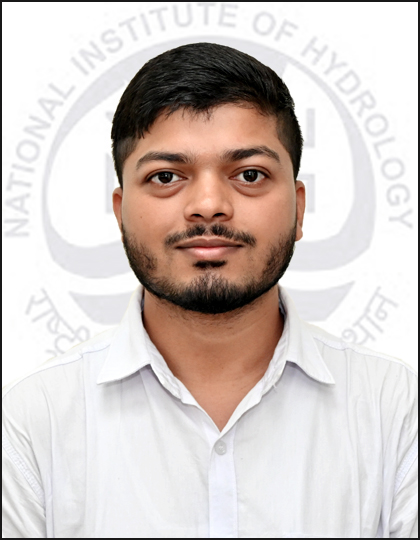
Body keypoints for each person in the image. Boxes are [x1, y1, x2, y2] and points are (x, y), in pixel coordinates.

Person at [2, 42, 417, 539]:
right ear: (120, 212)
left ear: (299, 208)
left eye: (249, 174)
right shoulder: (32, 421)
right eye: (165, 176)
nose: (208, 205)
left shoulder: (395, 409)